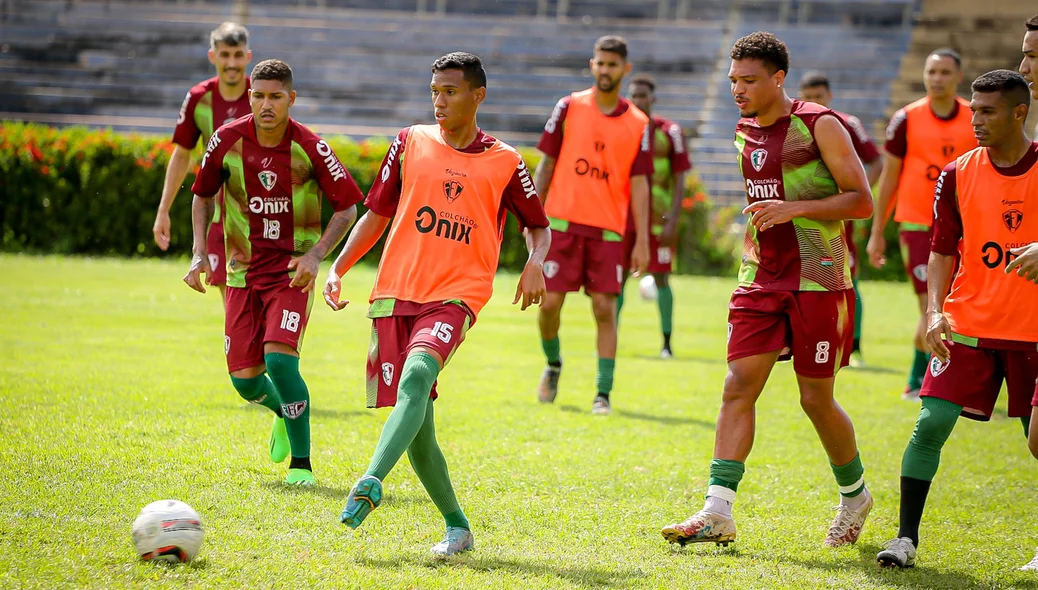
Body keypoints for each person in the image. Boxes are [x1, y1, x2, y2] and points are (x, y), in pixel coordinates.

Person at [323, 52, 551, 556]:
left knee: (417, 375)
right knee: (420, 432)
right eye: (434, 91)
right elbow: (376, 214)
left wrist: (537, 260)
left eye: (450, 91)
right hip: (395, 292)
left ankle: (370, 481)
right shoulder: (409, 141)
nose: (439, 100)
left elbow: (539, 223)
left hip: (456, 295)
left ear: (477, 96)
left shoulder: (506, 161)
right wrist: (338, 267)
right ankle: (458, 526)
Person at [659, 32, 875, 548]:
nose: (738, 89)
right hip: (759, 277)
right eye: (733, 80)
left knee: (814, 398)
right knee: (737, 385)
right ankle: (718, 510)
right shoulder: (743, 128)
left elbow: (861, 201)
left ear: (779, 78)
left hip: (820, 277)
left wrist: (795, 208)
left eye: (749, 80)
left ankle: (856, 495)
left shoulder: (819, 124)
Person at [875, 70, 1038, 569]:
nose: (976, 120)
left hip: (1032, 333)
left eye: (988, 111)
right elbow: (941, 251)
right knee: (930, 424)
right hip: (967, 324)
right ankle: (905, 540)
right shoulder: (957, 173)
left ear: (1019, 113)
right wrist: (933, 311)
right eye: (974, 109)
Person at [184, 59, 363, 486]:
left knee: (280, 364)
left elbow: (347, 207)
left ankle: (301, 465)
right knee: (244, 382)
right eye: (259, 96)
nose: (267, 104)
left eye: (276, 97)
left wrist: (316, 255)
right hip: (241, 274)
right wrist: (197, 253)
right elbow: (203, 196)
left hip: (291, 273)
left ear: (291, 99)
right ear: (250, 96)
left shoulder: (311, 147)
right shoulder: (226, 141)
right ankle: (284, 412)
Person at [534, 35, 653, 415]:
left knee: (605, 307)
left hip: (607, 231)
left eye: (613, 65)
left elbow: (639, 184)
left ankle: (603, 394)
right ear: (592, 65)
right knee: (550, 303)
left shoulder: (639, 122)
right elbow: (547, 163)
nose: (605, 70)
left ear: (625, 69)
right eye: (600, 63)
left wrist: (643, 240)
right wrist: (534, 218)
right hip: (562, 224)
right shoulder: (569, 106)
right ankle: (554, 364)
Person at [866, 49, 976, 400]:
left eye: (945, 72)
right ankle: (920, 380)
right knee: (930, 305)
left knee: (955, 305)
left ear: (958, 77)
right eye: (932, 71)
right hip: (917, 225)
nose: (937, 78)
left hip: (966, 225)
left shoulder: (976, 117)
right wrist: (876, 233)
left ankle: (938, 379)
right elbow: (890, 181)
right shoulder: (906, 119)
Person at [154, 22, 252, 298]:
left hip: (262, 216)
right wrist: (164, 210)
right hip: (220, 218)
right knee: (232, 304)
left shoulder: (261, 96)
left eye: (237, 55)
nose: (231, 63)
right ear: (213, 56)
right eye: (225, 55)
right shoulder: (198, 98)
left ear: (248, 56)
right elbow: (182, 154)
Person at [798, 71, 883, 367]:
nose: (813, 102)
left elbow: (876, 160)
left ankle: (853, 345)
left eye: (818, 97)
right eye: (808, 97)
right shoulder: (793, 128)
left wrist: (856, 197)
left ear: (829, 97)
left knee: (848, 278)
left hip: (838, 219)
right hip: (801, 217)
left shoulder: (846, 123)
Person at [617, 73, 693, 359]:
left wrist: (673, 220)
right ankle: (613, 335)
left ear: (653, 99)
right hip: (625, 220)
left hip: (658, 221)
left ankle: (666, 343)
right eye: (633, 95)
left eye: (643, 96)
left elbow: (680, 179)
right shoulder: (621, 129)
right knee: (619, 277)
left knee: (661, 279)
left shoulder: (669, 131)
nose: (638, 100)